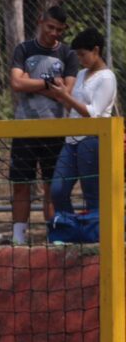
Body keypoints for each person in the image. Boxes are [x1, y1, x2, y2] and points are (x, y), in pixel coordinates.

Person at [9, 5, 79, 243]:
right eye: (50, 27)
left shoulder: (68, 55)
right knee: (21, 184)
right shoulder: (24, 49)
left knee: (51, 186)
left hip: (55, 128)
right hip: (24, 127)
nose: (54, 33)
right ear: (40, 22)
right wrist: (50, 83)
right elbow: (16, 84)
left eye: (59, 30)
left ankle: (53, 235)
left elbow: (66, 93)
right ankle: (18, 237)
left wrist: (33, 82)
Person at [48, 27, 117, 216]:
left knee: (92, 192)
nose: (80, 59)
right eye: (77, 55)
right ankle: (70, 228)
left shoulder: (107, 78)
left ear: (96, 50)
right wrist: (62, 95)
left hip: (92, 141)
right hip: (71, 141)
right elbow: (75, 108)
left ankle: (97, 235)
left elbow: (93, 113)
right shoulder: (80, 75)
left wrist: (66, 97)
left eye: (82, 54)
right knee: (58, 190)